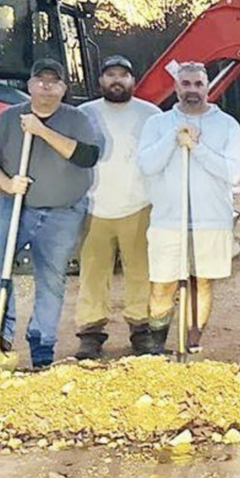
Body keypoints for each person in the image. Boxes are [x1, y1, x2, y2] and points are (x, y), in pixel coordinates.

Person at [0, 59, 101, 369]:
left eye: (53, 82)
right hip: (14, 205)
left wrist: (41, 130)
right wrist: (5, 183)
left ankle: (42, 343)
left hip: (63, 212)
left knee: (51, 279)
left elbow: (87, 156)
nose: (46, 86)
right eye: (40, 81)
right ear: (29, 85)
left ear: (63, 88)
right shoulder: (7, 118)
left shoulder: (77, 119)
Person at [137, 62, 240, 355]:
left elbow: (232, 173)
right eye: (186, 84)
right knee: (162, 285)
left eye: (198, 84)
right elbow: (147, 164)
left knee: (202, 283)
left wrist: (196, 147)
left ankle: (191, 343)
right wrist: (173, 139)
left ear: (207, 86)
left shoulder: (227, 124)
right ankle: (156, 345)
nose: (192, 90)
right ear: (176, 86)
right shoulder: (157, 124)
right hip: (167, 220)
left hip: (212, 220)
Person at [74, 55, 161, 359]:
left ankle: (141, 329)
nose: (116, 81)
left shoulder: (151, 114)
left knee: (140, 271)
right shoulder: (84, 114)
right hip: (94, 206)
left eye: (123, 75)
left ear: (133, 81)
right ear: (101, 81)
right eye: (110, 75)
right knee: (93, 272)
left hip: (138, 205)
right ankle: (91, 332)